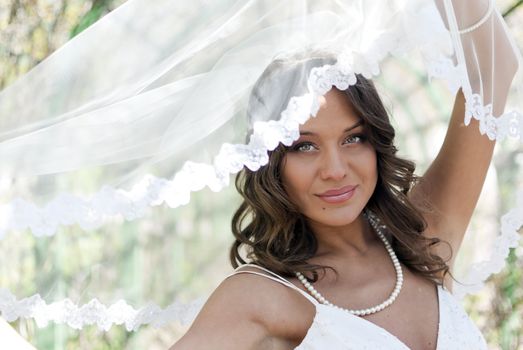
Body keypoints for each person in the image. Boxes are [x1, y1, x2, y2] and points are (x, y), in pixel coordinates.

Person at [170, 3, 519, 349]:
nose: (336, 170)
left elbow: (493, 71)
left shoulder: (425, 234)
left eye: (354, 138)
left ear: (376, 143)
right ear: (270, 160)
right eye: (305, 147)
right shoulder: (261, 297)